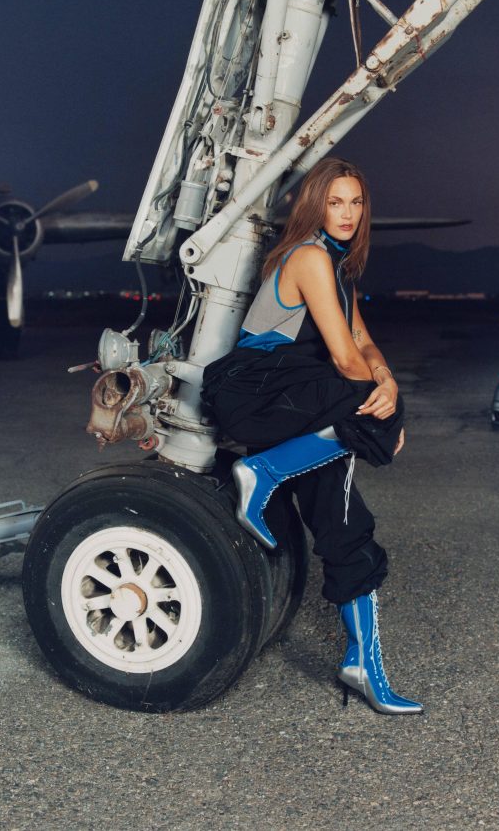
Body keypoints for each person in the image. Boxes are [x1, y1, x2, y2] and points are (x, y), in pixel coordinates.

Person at [201, 157, 422, 715]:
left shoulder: (341, 268)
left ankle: (362, 664)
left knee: (345, 526)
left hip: (302, 404)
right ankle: (261, 471)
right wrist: (385, 417)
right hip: (259, 390)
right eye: (335, 202)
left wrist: (389, 382)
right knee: (372, 416)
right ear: (315, 206)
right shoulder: (309, 256)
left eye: (356, 202)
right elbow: (346, 358)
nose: (347, 213)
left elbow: (365, 345)